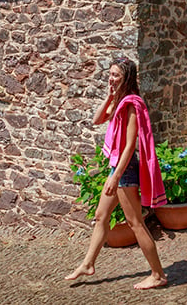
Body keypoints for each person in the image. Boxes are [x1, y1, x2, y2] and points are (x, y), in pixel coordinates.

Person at [64, 56, 168, 290]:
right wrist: (110, 94)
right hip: (117, 167)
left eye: (116, 76)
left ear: (127, 78)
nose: (111, 79)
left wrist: (116, 176)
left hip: (125, 169)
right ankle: (88, 264)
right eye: (110, 74)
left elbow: (130, 145)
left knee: (135, 223)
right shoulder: (119, 100)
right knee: (101, 216)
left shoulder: (131, 104)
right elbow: (96, 119)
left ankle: (158, 274)